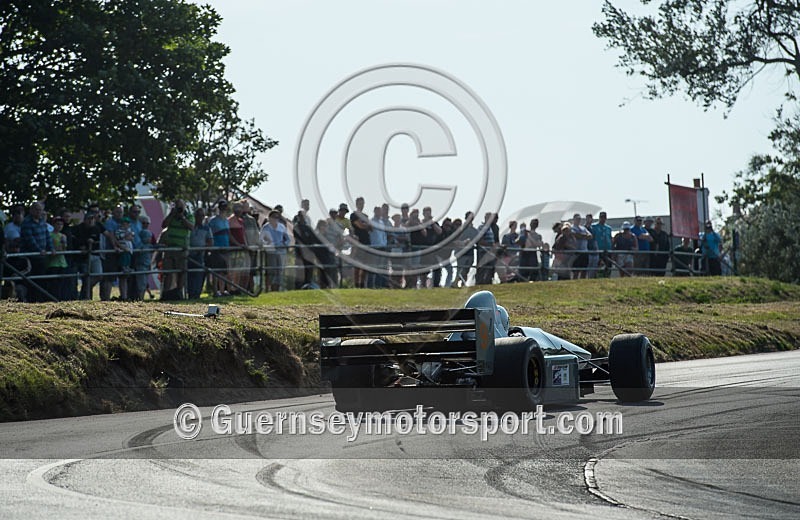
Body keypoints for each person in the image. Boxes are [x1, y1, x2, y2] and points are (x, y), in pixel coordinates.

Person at [160, 199, 194, 300]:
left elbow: (191, 227)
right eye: (177, 207)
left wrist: (182, 217)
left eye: (181, 207)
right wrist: (172, 214)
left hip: (182, 249)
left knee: (181, 272)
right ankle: (165, 294)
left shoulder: (189, 216)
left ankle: (179, 292)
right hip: (170, 248)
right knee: (168, 272)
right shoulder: (172, 215)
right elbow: (164, 225)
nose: (179, 209)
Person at [20, 202, 54, 301]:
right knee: (32, 280)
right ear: (31, 210)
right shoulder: (26, 222)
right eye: (37, 209)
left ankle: (40, 299)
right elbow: (30, 240)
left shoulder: (42, 222)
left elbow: (47, 236)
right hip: (31, 257)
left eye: (40, 210)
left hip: (41, 257)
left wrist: (51, 248)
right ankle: (31, 300)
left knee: (41, 279)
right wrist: (39, 250)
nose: (39, 212)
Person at [261, 210, 291, 291]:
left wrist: (284, 245)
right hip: (271, 252)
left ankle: (277, 289)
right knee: (271, 271)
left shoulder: (281, 227)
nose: (275, 219)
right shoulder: (266, 227)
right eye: (273, 217)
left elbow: (287, 239)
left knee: (280, 271)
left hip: (281, 252)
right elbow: (261, 239)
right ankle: (270, 288)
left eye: (277, 217)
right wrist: (268, 245)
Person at [207, 201, 231, 296]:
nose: (224, 210)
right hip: (216, 247)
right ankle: (215, 290)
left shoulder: (226, 221)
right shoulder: (213, 220)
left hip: (225, 247)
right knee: (216, 270)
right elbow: (210, 233)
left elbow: (228, 234)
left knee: (224, 271)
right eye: (222, 208)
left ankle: (222, 290)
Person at [188, 208, 212, 299]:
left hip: (200, 255)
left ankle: (197, 294)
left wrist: (202, 248)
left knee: (199, 274)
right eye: (198, 215)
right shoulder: (190, 226)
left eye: (202, 215)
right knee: (189, 275)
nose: (200, 217)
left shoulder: (206, 228)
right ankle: (190, 294)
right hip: (189, 255)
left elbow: (210, 242)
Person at [226, 201, 249, 293]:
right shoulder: (230, 220)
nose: (239, 210)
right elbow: (230, 235)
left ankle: (237, 288)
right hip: (233, 249)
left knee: (239, 269)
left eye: (240, 208)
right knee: (232, 269)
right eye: (237, 208)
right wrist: (237, 244)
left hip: (241, 249)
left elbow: (243, 234)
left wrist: (245, 244)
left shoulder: (241, 221)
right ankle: (230, 288)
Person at [47, 217, 69, 300]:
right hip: (52, 263)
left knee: (62, 283)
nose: (60, 226)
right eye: (58, 224)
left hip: (62, 263)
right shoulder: (50, 235)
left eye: (61, 224)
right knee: (53, 284)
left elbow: (64, 248)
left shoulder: (63, 236)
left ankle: (60, 298)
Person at [570, 213, 593, 279]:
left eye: (579, 219)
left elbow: (590, 236)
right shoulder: (571, 227)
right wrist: (584, 236)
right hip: (576, 252)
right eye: (577, 219)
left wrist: (581, 236)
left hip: (585, 251)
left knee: (584, 270)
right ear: (573, 219)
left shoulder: (583, 228)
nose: (578, 220)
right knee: (576, 271)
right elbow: (575, 235)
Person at [591, 211, 613, 276]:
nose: (603, 219)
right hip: (598, 250)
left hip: (607, 250)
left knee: (608, 265)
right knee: (597, 266)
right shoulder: (594, 226)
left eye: (604, 217)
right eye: (601, 217)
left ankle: (607, 276)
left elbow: (610, 238)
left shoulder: (608, 228)